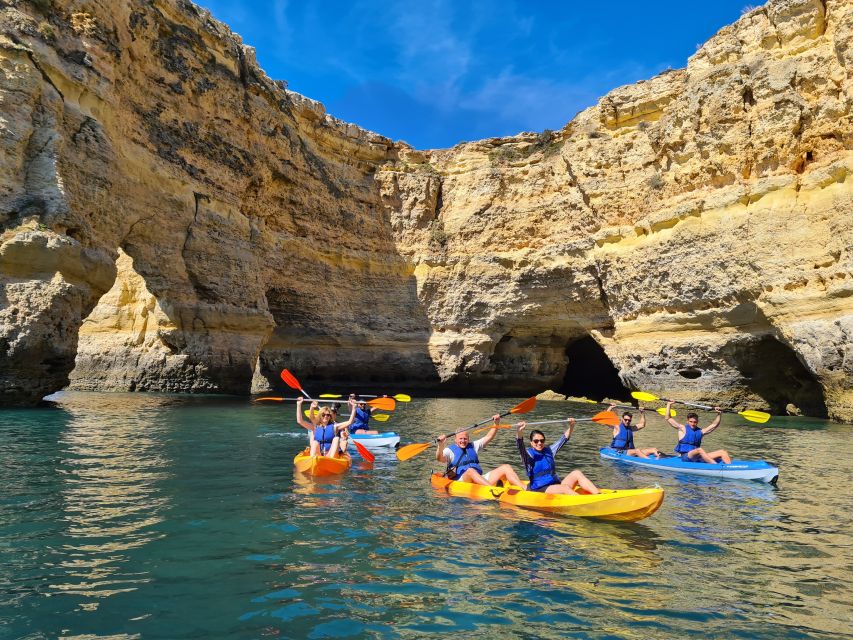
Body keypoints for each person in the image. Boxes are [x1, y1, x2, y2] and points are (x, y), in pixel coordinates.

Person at [435, 415, 525, 487]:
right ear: (455, 439)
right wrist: (440, 445)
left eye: (465, 438)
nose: (463, 441)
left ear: (468, 439)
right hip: (462, 481)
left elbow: (489, 437)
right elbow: (440, 459)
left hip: (479, 479)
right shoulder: (449, 450)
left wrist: (496, 423)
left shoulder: (473, 445)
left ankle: (524, 488)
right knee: (470, 471)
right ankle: (493, 489)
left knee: (506, 467)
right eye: (460, 439)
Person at [515, 420, 600, 495]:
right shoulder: (528, 455)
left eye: (542, 440)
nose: (539, 443)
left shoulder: (549, 451)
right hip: (540, 488)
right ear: (531, 443)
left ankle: (598, 495)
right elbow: (520, 446)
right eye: (536, 441)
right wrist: (519, 431)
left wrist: (571, 426)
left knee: (576, 473)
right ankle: (583, 503)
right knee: (565, 488)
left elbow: (563, 439)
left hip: (555, 485)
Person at [664, 401, 731, 464]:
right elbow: (668, 418)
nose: (693, 424)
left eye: (695, 422)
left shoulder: (701, 431)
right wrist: (669, 405)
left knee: (723, 452)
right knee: (699, 450)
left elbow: (714, 425)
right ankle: (715, 466)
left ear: (697, 422)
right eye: (691, 422)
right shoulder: (682, 428)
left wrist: (719, 414)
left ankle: (730, 468)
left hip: (698, 457)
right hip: (685, 457)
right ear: (687, 421)